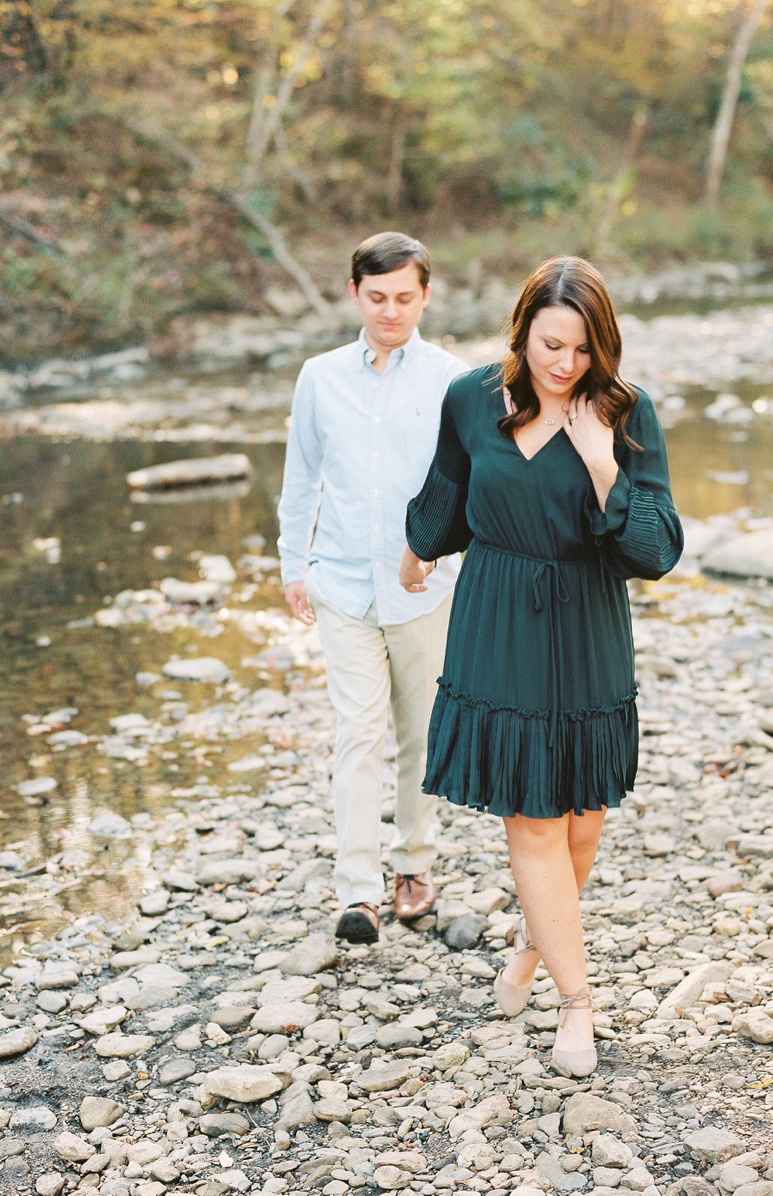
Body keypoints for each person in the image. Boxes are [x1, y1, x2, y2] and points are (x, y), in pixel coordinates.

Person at [400, 255, 682, 1076]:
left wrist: (601, 466)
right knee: (533, 817)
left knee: (583, 823)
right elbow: (446, 496)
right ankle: (577, 1005)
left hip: (590, 622)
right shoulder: (471, 399)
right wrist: (414, 551)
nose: (564, 365)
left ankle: (533, 945)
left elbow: (656, 551)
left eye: (583, 350)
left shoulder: (628, 416)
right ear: (521, 330)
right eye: (551, 344)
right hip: (498, 619)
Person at [277, 231, 470, 944]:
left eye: (405, 297)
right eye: (377, 297)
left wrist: (450, 562)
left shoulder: (454, 379)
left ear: (425, 295)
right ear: (355, 294)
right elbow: (301, 479)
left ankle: (414, 866)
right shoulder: (319, 377)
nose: (391, 311)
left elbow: (466, 487)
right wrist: (293, 566)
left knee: (421, 734)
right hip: (343, 588)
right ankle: (357, 891)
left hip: (423, 591)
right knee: (358, 734)